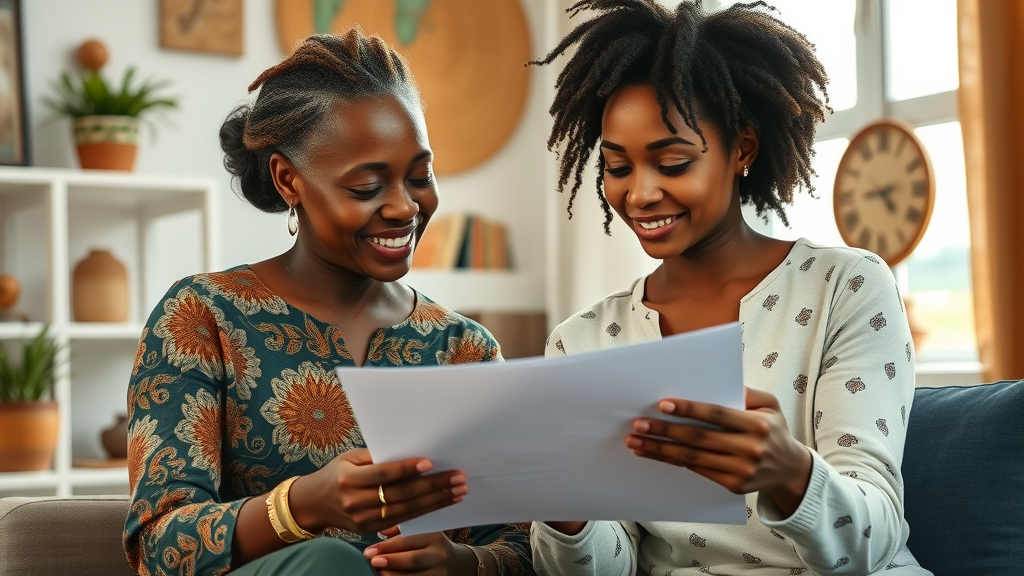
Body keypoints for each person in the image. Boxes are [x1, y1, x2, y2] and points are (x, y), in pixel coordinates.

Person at [527, 1, 930, 574]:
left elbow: (874, 539)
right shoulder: (581, 343)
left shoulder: (845, 287)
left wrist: (790, 472)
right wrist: (566, 510)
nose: (640, 194)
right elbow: (607, 565)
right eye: (618, 168)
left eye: (672, 164)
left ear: (742, 149)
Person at [124, 30, 534, 576]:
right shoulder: (204, 316)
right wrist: (301, 508)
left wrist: (462, 562)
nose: (403, 207)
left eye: (420, 177)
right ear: (288, 180)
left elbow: (527, 544)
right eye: (366, 188)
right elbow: (159, 542)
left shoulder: (464, 350)